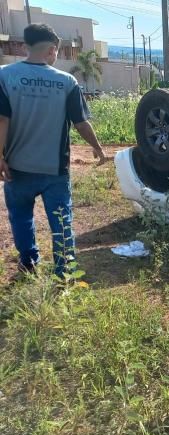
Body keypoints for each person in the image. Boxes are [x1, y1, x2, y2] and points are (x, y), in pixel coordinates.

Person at [0, 23, 106, 278]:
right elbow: (81, 123)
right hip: (54, 169)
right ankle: (64, 273)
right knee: (61, 222)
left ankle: (28, 262)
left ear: (26, 47)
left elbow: (2, 120)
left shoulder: (5, 76)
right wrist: (98, 148)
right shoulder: (66, 82)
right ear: (52, 50)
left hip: (17, 166)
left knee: (21, 218)